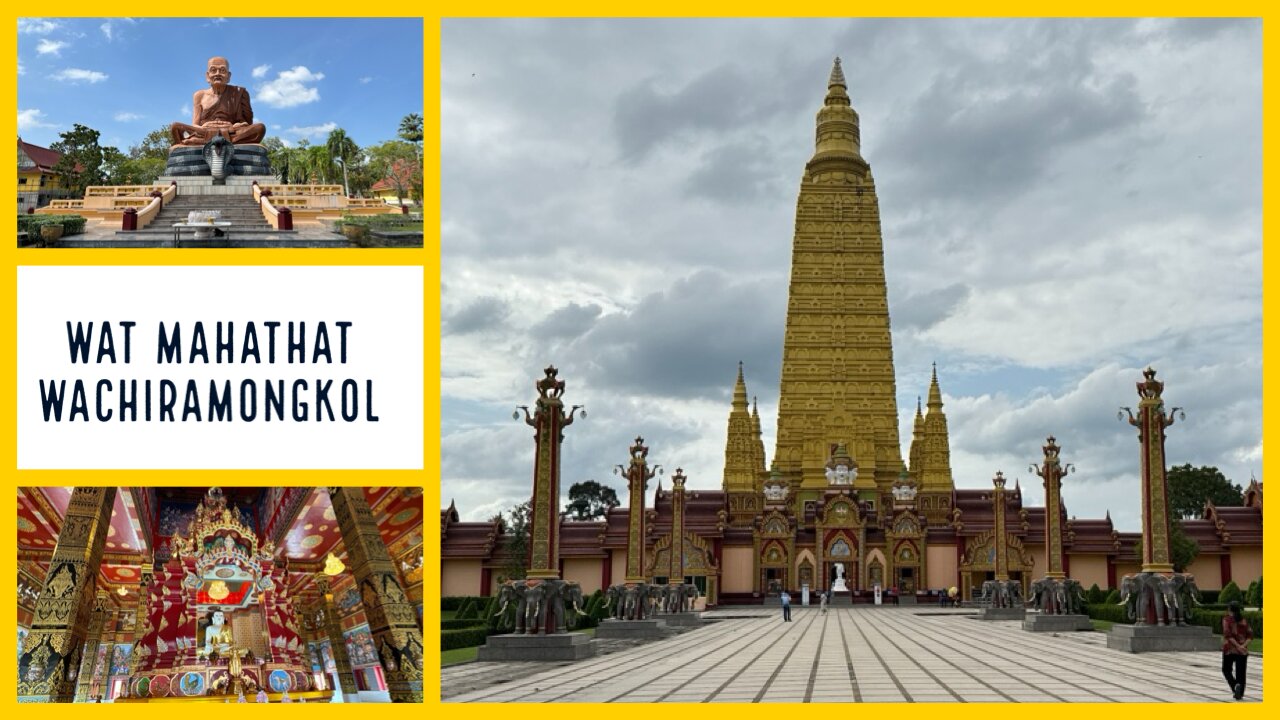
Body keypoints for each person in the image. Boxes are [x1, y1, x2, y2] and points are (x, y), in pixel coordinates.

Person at [170, 57, 267, 146]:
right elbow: (195, 124)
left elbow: (247, 123)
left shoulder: (239, 93)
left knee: (260, 128)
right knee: (175, 127)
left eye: (222, 70)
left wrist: (236, 125)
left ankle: (202, 142)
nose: (217, 73)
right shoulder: (199, 95)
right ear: (208, 76)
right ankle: (225, 141)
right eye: (213, 70)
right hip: (205, 131)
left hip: (231, 131)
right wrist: (204, 126)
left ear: (228, 76)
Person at [1221, 601, 1252, 700]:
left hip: (1229, 649)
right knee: (1241, 673)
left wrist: (1238, 646)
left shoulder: (1226, 620)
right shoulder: (1243, 620)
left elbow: (1227, 635)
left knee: (1226, 670)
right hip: (1242, 651)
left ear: (1229, 609)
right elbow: (1250, 635)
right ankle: (1240, 693)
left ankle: (1235, 687)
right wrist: (1243, 646)